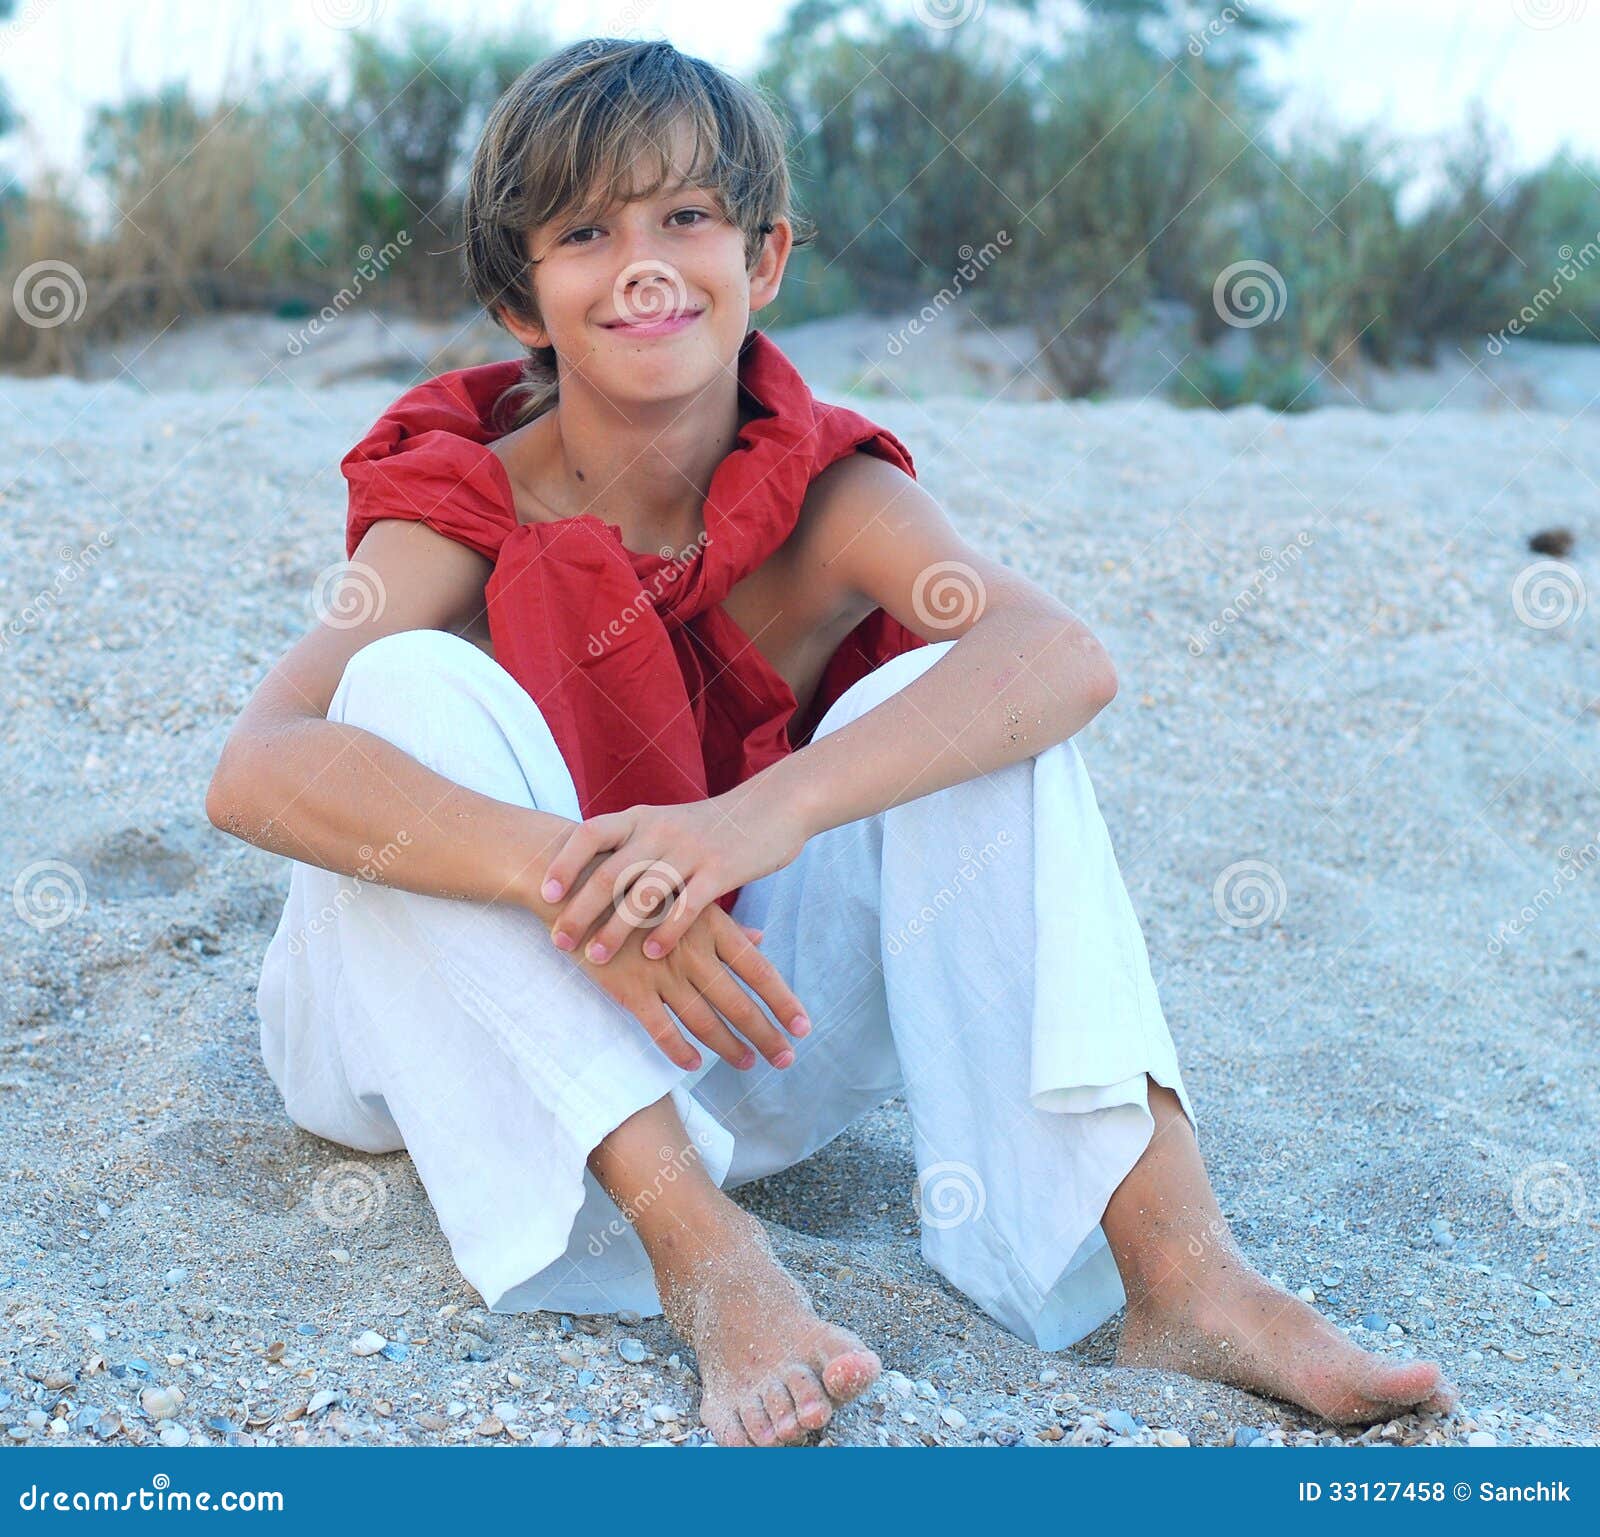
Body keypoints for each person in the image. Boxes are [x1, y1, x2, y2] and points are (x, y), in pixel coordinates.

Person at [205, 37, 1456, 1447]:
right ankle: (713, 1261)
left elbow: (1060, 655)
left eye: (687, 217)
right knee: (409, 690)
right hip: (413, 1047)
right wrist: (591, 877)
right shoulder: (454, 495)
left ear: (768, 257)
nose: (645, 264)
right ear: (519, 299)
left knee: (970, 718)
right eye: (584, 234)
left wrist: (751, 822)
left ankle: (1183, 1269)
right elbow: (258, 758)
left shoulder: (821, 483)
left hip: (722, 1025)